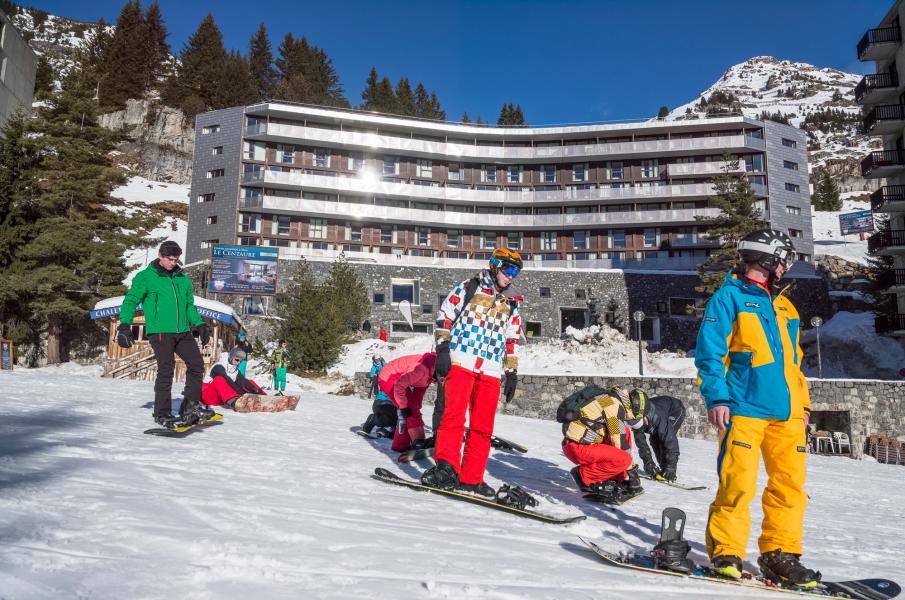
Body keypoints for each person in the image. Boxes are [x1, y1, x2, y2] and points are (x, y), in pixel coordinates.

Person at [695, 229, 819, 587]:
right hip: (744, 408)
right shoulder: (728, 298)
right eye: (784, 257)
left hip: (790, 414)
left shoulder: (785, 305)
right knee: (738, 484)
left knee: (790, 487)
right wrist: (717, 398)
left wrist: (804, 406)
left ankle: (780, 553)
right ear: (767, 258)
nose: (786, 266)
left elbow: (794, 363)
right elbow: (710, 355)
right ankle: (727, 551)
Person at [421, 248, 523, 497]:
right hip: (461, 361)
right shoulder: (469, 287)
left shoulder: (512, 302)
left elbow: (512, 338)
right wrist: (443, 350)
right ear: (494, 265)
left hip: (490, 368)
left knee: (483, 426)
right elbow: (444, 316)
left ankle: (471, 477)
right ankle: (447, 468)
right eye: (508, 270)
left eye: (516, 272)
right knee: (453, 417)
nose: (511, 277)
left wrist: (511, 371)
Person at [116, 240, 212, 428]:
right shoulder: (146, 277)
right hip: (160, 331)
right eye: (169, 259)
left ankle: (190, 407)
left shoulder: (182, 278)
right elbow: (130, 301)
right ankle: (162, 413)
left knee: (197, 365)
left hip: (182, 331)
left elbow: (188, 306)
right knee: (166, 369)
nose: (173, 263)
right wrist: (125, 325)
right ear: (160, 256)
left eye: (176, 259)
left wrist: (200, 324)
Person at [561, 385, 645, 504]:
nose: (633, 419)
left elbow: (619, 434)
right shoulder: (614, 405)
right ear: (636, 408)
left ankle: (616, 476)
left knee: (625, 432)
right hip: (578, 448)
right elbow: (618, 440)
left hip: (578, 445)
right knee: (624, 458)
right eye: (637, 416)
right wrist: (632, 473)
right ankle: (583, 475)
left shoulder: (612, 399)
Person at [377, 352, 437, 452]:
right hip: (389, 378)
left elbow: (420, 390)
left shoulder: (431, 373)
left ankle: (400, 445)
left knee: (412, 411)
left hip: (399, 380)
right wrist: (403, 406)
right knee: (410, 410)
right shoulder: (421, 369)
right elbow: (399, 385)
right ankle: (418, 442)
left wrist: (416, 406)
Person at [634, 395, 686, 482]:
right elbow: (641, 444)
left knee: (662, 439)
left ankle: (669, 471)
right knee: (654, 440)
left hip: (675, 410)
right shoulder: (636, 420)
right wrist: (648, 462)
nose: (641, 428)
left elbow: (671, 441)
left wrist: (670, 467)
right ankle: (663, 468)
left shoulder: (659, 418)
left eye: (643, 425)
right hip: (660, 406)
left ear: (645, 418)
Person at [202, 348, 267, 409]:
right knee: (220, 379)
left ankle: (263, 398)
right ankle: (235, 402)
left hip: (221, 398)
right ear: (231, 357)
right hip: (208, 396)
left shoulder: (235, 370)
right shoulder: (218, 366)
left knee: (249, 382)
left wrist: (254, 390)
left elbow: (243, 381)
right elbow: (228, 381)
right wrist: (243, 395)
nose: (238, 362)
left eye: (240, 361)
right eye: (237, 360)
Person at [361, 355, 394, 438]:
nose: (377, 361)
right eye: (376, 360)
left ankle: (392, 431)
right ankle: (370, 425)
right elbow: (372, 371)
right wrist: (372, 376)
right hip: (382, 400)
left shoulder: (384, 364)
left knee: (397, 417)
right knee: (386, 418)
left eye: (379, 359)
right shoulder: (375, 366)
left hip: (388, 400)